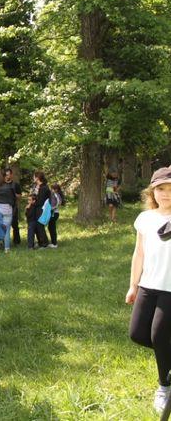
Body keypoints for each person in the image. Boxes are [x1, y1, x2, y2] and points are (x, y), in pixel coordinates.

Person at [126, 166, 171, 413]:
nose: (166, 194)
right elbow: (139, 253)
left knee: (158, 336)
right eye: (161, 189)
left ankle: (164, 385)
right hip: (147, 285)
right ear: (152, 191)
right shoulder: (145, 219)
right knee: (137, 334)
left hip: (170, 289)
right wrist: (133, 285)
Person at [0, 169, 17, 254]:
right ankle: (7, 248)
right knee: (7, 229)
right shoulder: (9, 187)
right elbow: (13, 200)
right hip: (7, 209)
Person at [4, 168, 23, 245]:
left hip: (13, 207)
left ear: (11, 175)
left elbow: (20, 196)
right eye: (6, 175)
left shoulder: (15, 185)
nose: (7, 176)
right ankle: (3, 240)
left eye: (8, 174)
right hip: (4, 207)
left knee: (15, 225)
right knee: (3, 225)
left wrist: (13, 194)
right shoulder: (2, 184)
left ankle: (16, 241)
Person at [32, 171, 51, 248]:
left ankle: (44, 244)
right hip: (37, 208)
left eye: (34, 177)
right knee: (36, 226)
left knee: (40, 226)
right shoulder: (37, 187)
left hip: (41, 209)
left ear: (37, 178)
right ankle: (40, 242)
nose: (33, 178)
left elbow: (40, 201)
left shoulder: (44, 188)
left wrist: (33, 203)